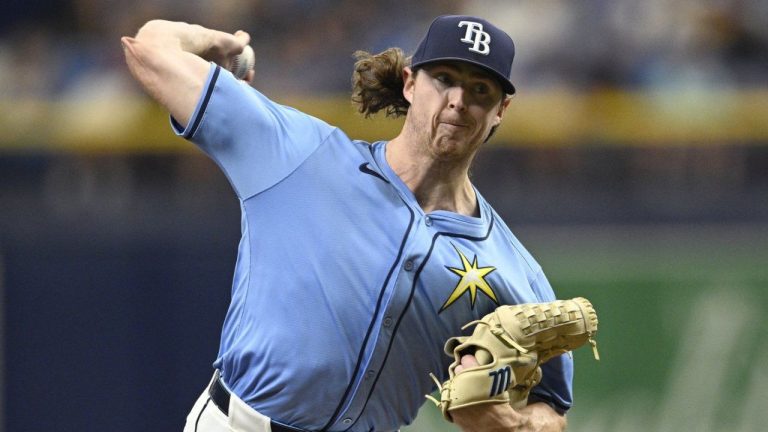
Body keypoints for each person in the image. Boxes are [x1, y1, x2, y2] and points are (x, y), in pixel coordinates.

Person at [122, 14, 571, 432]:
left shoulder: (515, 272)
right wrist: (216, 40)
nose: (458, 100)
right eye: (444, 79)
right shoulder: (301, 156)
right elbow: (149, 48)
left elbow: (551, 409)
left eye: (480, 89)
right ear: (410, 83)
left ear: (500, 110)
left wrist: (513, 424)